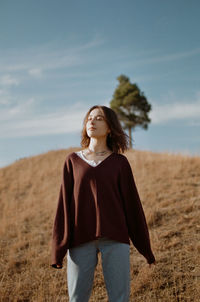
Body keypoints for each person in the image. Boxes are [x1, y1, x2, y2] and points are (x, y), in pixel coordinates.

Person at [51, 105, 156, 302]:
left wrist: (146, 249)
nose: (92, 121)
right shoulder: (72, 161)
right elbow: (64, 207)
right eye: (89, 118)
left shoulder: (120, 163)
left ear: (109, 128)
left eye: (99, 118)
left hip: (116, 239)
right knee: (77, 299)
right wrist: (58, 249)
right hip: (80, 238)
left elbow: (133, 207)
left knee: (120, 298)